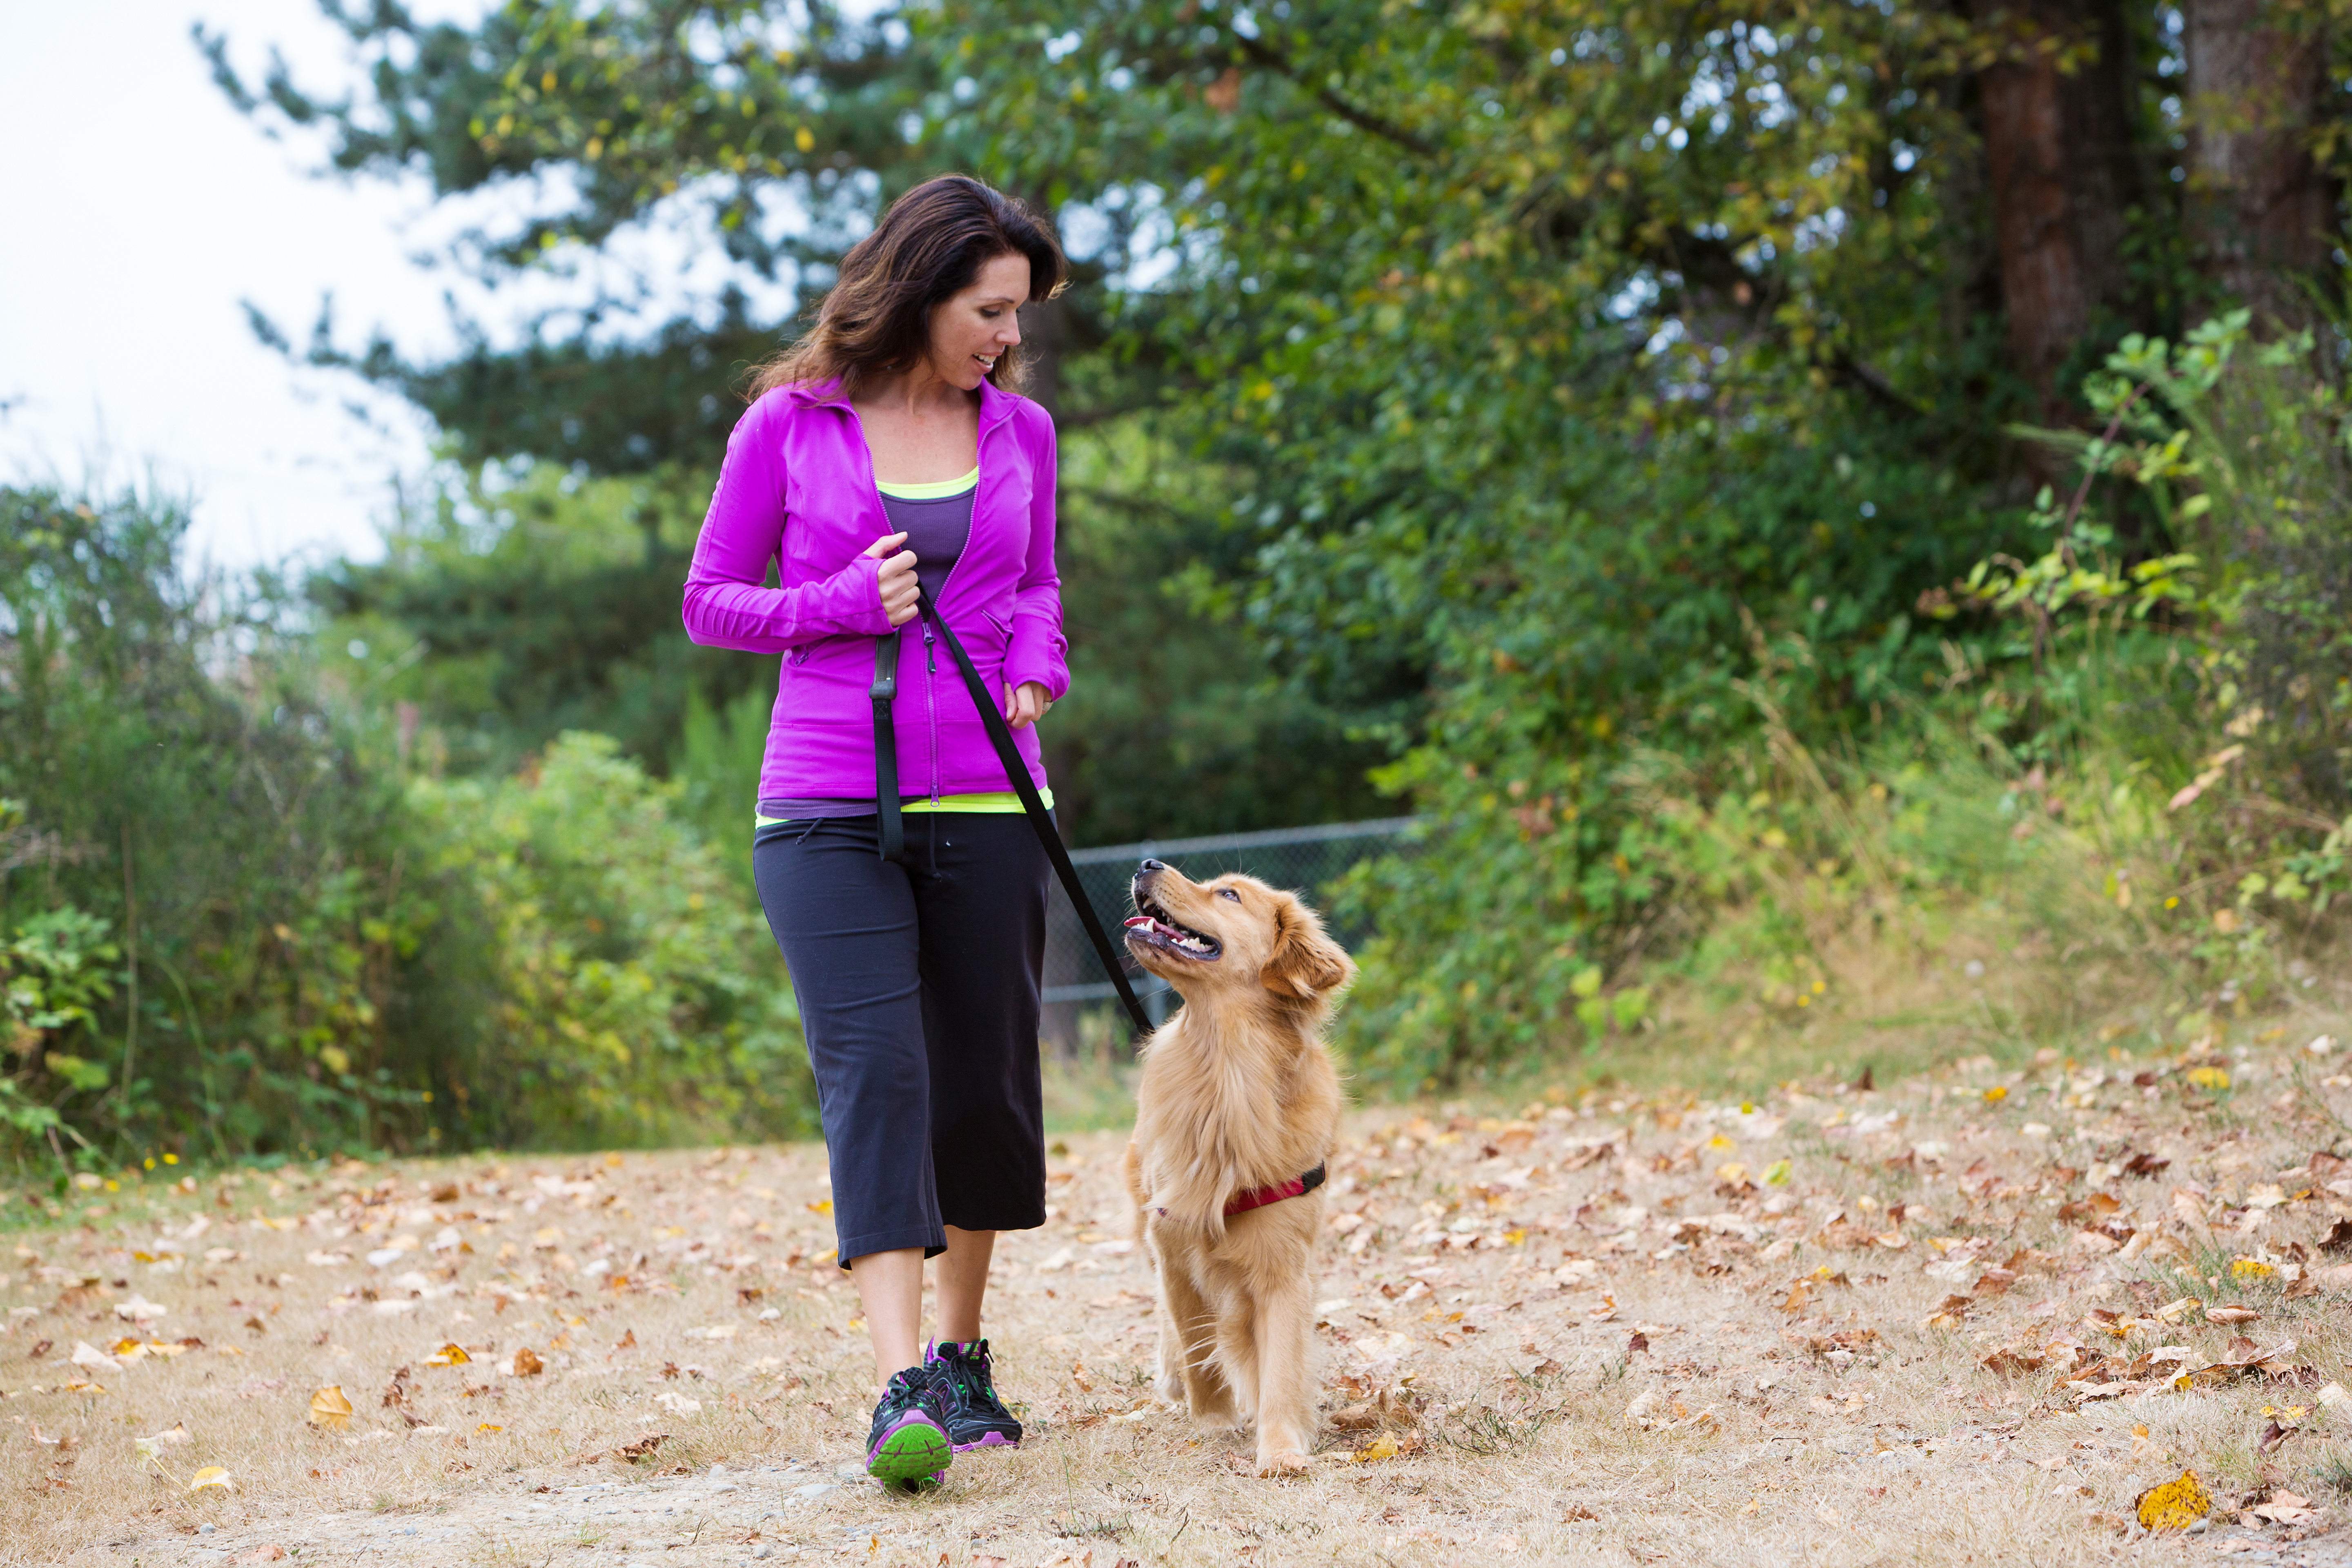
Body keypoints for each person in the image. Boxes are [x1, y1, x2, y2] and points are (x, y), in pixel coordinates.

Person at [680, 174, 1069, 1492]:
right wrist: (839, 601)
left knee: (982, 1081)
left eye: (1017, 315)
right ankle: (898, 1381)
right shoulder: (787, 429)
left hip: (987, 795)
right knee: (878, 1073)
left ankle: (964, 1357)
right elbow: (711, 601)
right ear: (923, 289)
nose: (1006, 336)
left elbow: (1037, 586)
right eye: (990, 309)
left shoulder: (1022, 429)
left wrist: (1037, 661)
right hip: (825, 804)